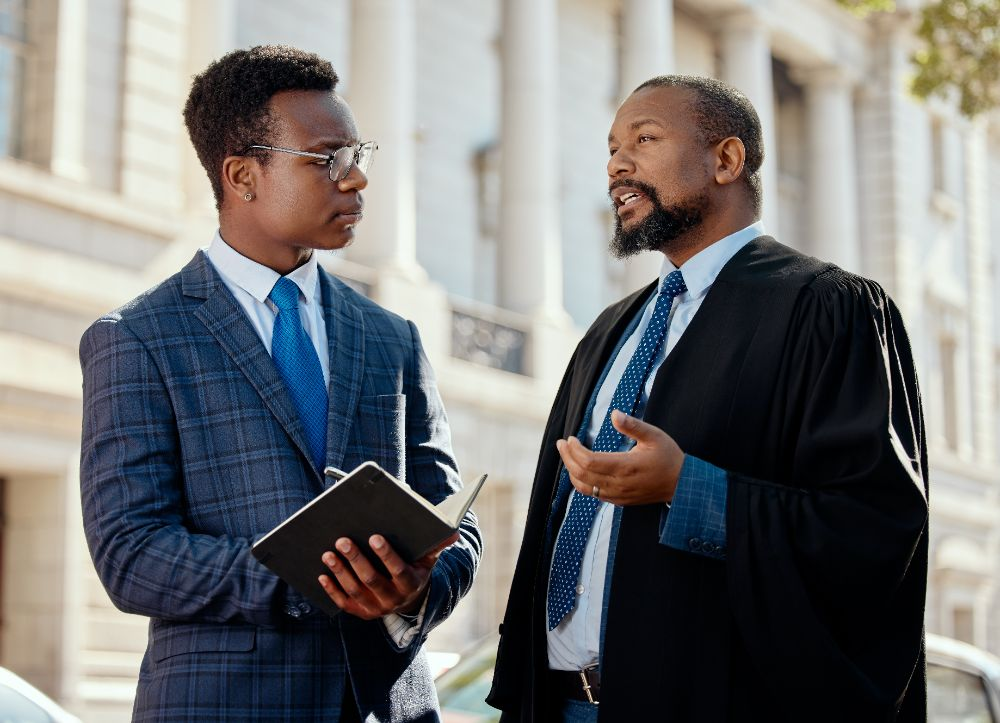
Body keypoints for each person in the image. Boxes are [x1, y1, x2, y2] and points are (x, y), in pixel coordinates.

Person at [487, 75, 928, 722]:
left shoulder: (828, 309)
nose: (617, 164)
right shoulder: (612, 329)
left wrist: (687, 487)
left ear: (726, 160)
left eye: (644, 139)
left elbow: (876, 527)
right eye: (611, 147)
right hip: (558, 702)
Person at [79, 45, 481, 723]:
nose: (355, 181)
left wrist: (412, 588)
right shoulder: (137, 338)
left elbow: (453, 519)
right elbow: (131, 552)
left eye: (360, 156)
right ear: (242, 175)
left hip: (389, 707)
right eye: (329, 159)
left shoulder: (392, 337)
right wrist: (319, 580)